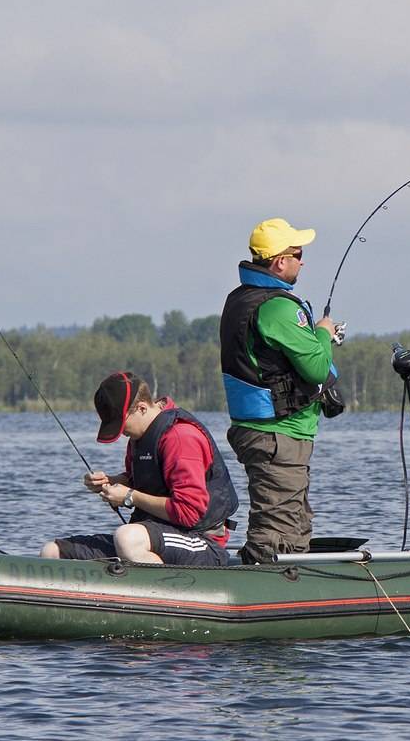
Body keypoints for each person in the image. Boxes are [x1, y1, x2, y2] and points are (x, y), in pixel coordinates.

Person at [219, 217, 342, 564]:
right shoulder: (277, 307)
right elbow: (316, 368)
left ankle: (291, 591)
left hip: (265, 431)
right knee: (276, 532)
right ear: (279, 262)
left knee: (294, 524)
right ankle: (260, 594)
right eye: (298, 253)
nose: (303, 261)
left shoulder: (238, 299)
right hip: (278, 435)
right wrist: (323, 333)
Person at [40, 371, 238, 566]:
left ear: (142, 408)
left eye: (121, 424)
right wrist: (112, 482)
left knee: (127, 538)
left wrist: (129, 496)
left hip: (201, 542)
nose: (122, 433)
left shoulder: (181, 437)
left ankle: (164, 595)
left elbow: (189, 512)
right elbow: (145, 481)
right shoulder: (140, 435)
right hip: (155, 535)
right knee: (52, 552)